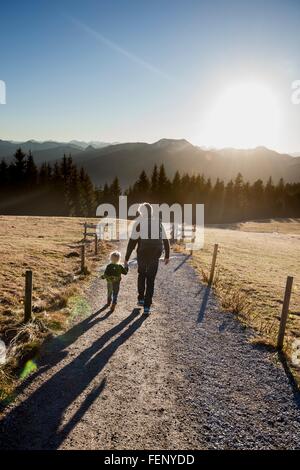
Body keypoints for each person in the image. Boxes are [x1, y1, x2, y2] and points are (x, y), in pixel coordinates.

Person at [124, 202, 170, 315]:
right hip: (155, 253)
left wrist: (126, 258)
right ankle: (147, 307)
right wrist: (167, 255)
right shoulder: (158, 222)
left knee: (142, 274)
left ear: (141, 212)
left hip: (142, 253)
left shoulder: (139, 223)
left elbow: (132, 242)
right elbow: (165, 239)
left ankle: (140, 298)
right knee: (151, 279)